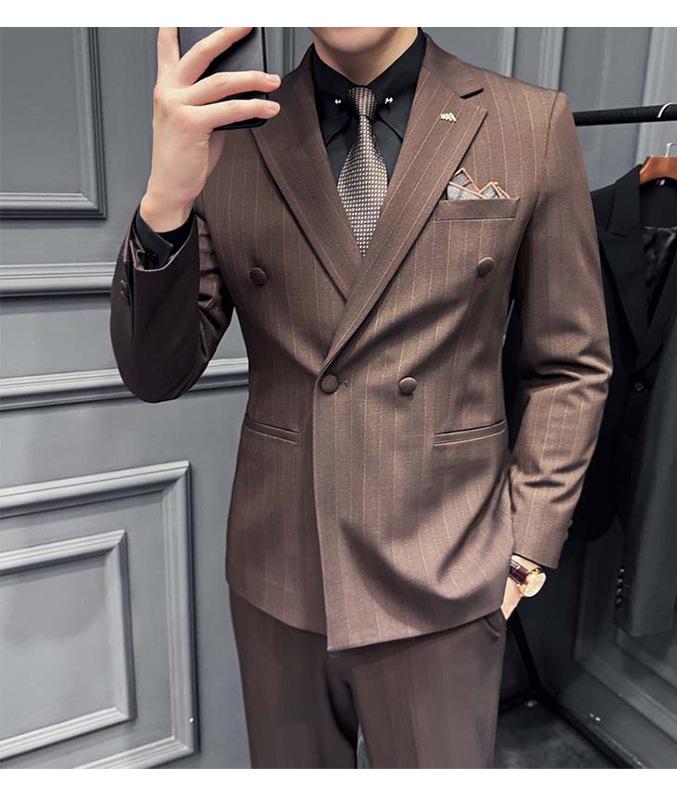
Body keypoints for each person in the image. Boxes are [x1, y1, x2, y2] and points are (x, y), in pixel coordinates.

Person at [110, 26, 612, 768]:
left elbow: (570, 361)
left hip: (447, 568)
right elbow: (157, 372)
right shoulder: (233, 129)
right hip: (281, 569)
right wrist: (166, 202)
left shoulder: (526, 122)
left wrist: (526, 542)